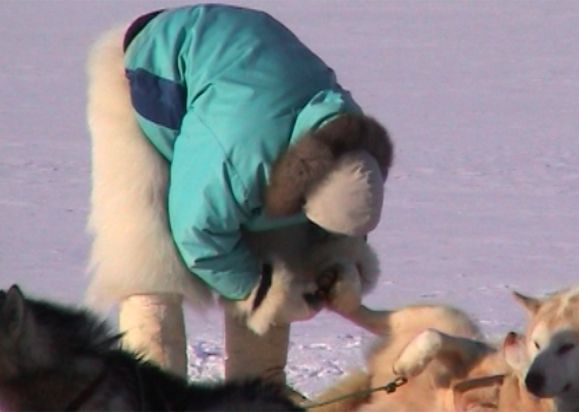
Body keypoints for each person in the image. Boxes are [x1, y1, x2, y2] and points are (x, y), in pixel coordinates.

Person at [84, 3, 393, 381]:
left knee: (282, 252)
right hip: (144, 74)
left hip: (241, 86)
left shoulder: (351, 139)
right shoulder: (238, 154)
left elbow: (343, 215)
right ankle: (155, 393)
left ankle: (260, 391)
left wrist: (337, 262)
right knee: (149, 263)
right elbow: (197, 235)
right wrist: (262, 292)